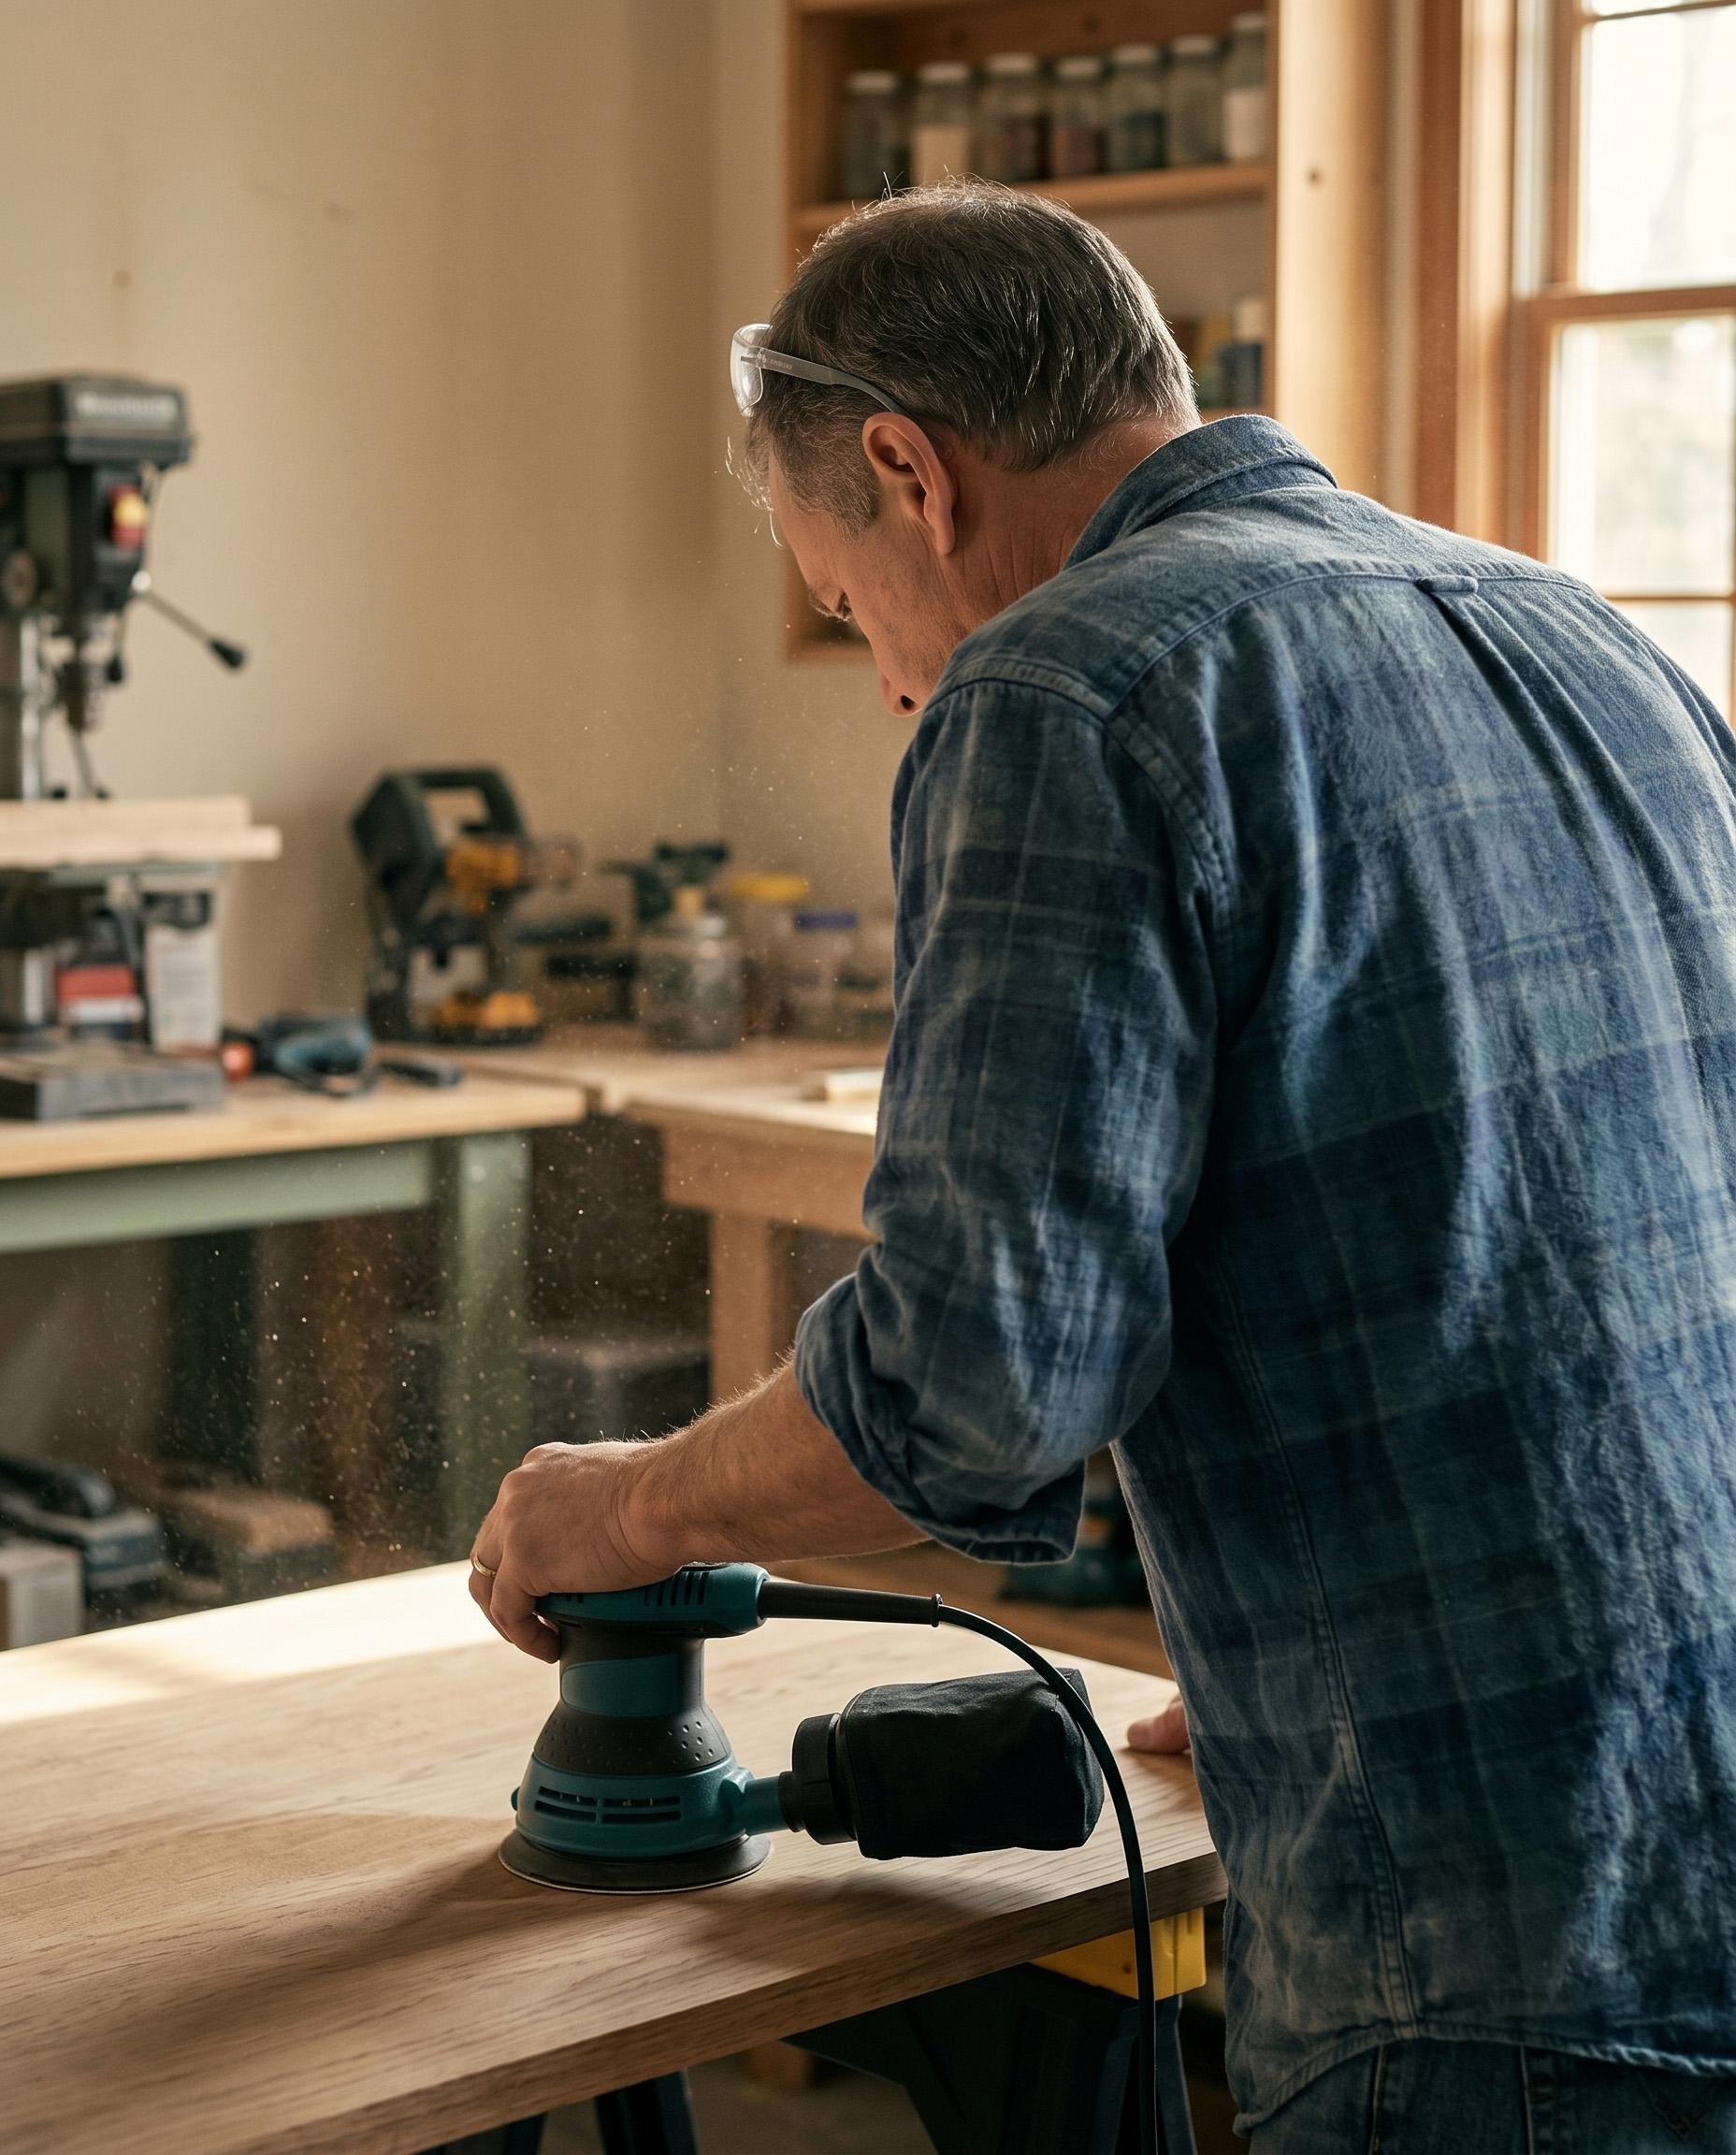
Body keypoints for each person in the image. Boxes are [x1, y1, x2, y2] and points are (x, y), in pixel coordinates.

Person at [468, 183, 1736, 2148]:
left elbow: (973, 1400)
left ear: (908, 467)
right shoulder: (1580, 636)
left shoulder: (1064, 687)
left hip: (1497, 1977)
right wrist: (1306, 1682)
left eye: (842, 598)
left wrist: (618, 1509)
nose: (889, 676)